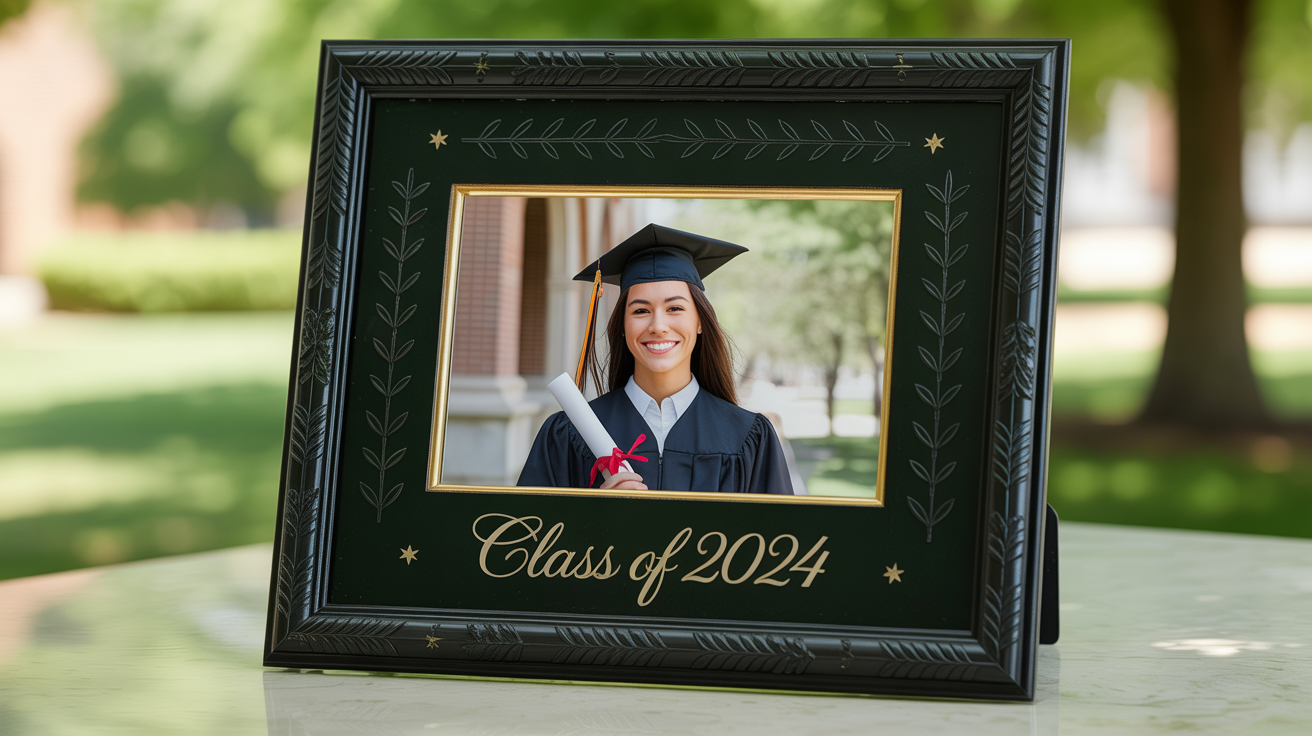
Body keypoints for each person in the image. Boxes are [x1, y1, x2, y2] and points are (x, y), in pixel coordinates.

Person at [517, 224, 793, 494]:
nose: (658, 326)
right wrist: (597, 512)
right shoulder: (568, 435)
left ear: (700, 321)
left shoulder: (749, 437)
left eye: (675, 308)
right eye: (640, 311)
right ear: (622, 326)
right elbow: (526, 524)